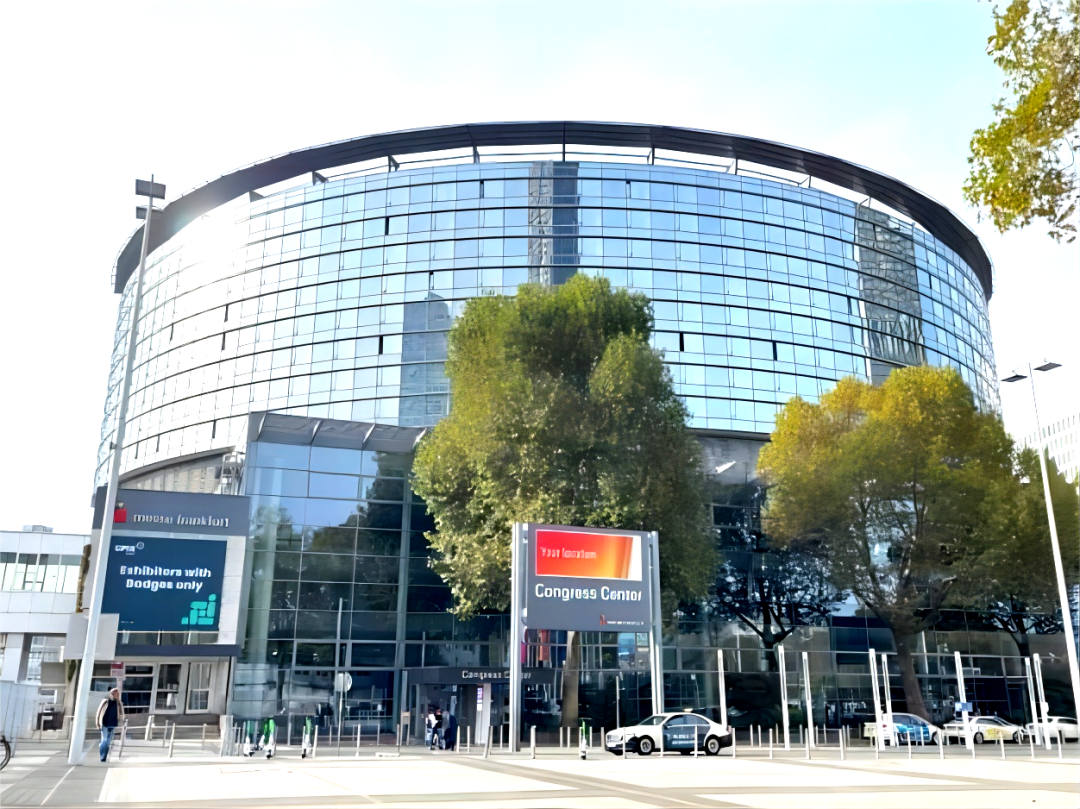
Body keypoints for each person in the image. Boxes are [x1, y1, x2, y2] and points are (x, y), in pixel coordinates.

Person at [95, 688, 124, 762]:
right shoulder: (105, 701)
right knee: (104, 740)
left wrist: (121, 722)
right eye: (114, 693)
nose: (115, 695)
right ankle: (102, 757)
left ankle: (104, 755)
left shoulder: (118, 703)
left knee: (108, 742)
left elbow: (121, 713)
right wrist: (97, 723)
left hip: (113, 724)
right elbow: (99, 712)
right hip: (104, 723)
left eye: (117, 694)